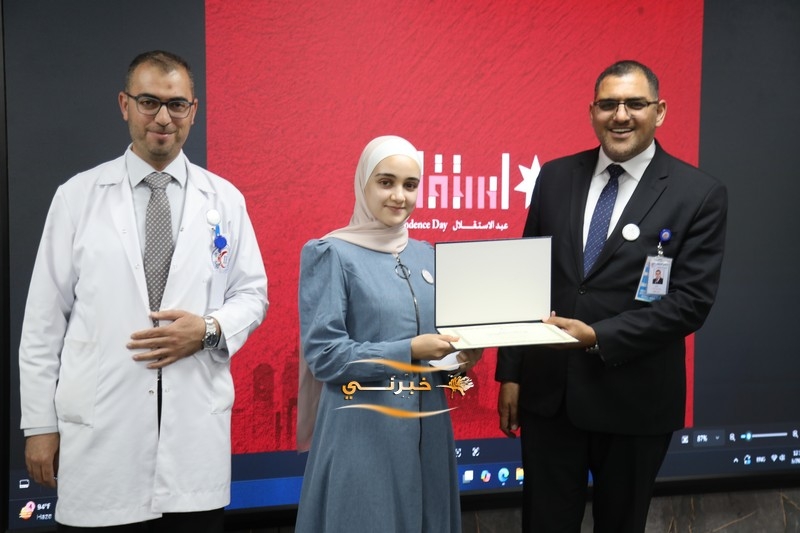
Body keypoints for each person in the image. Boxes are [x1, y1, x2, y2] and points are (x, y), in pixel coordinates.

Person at [18, 50, 268, 531]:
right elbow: (43, 322)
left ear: (193, 110)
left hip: (192, 442)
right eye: (149, 102)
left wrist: (208, 329)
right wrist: (40, 426)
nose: (163, 118)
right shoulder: (77, 197)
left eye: (176, 104)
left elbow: (252, 294)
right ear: (125, 105)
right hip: (101, 439)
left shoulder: (225, 200)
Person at [495, 60, 727, 533]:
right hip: (550, 398)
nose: (620, 116)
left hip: (635, 402)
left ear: (660, 111)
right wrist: (511, 373)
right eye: (608, 105)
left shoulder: (699, 193)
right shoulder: (555, 177)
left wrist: (598, 336)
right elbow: (525, 277)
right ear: (592, 112)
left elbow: (691, 302)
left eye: (635, 104)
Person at [294, 135, 482, 533]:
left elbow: (436, 355)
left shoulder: (427, 254)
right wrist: (409, 349)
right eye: (386, 182)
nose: (399, 196)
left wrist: (460, 359)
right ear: (363, 183)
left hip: (430, 434)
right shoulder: (332, 253)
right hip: (363, 433)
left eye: (410, 185)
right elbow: (326, 356)